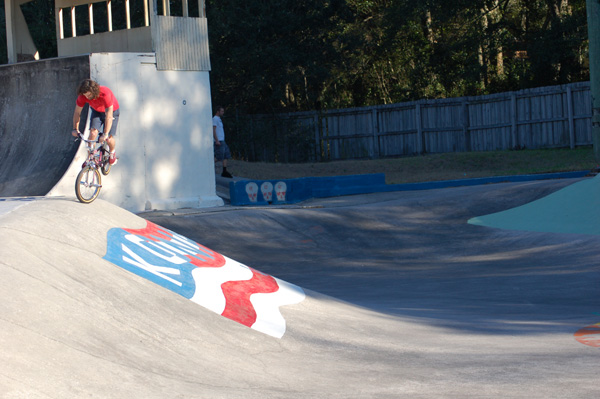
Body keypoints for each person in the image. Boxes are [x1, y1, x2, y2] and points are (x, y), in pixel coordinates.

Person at [71, 79, 120, 165]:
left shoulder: (105, 93)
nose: (87, 97)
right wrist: (75, 128)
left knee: (109, 139)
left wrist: (105, 134)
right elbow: (77, 112)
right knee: (93, 134)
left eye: (89, 95)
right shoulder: (82, 97)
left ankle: (112, 153)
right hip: (97, 111)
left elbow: (108, 116)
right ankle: (90, 157)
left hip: (112, 112)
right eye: (85, 96)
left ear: (94, 91)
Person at [213, 106, 233, 178]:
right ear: (218, 111)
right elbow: (213, 130)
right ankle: (208, 166)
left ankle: (224, 171)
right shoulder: (215, 119)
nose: (223, 112)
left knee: (226, 155)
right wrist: (217, 140)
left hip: (222, 140)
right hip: (219, 141)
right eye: (222, 111)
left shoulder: (219, 119)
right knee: (219, 157)